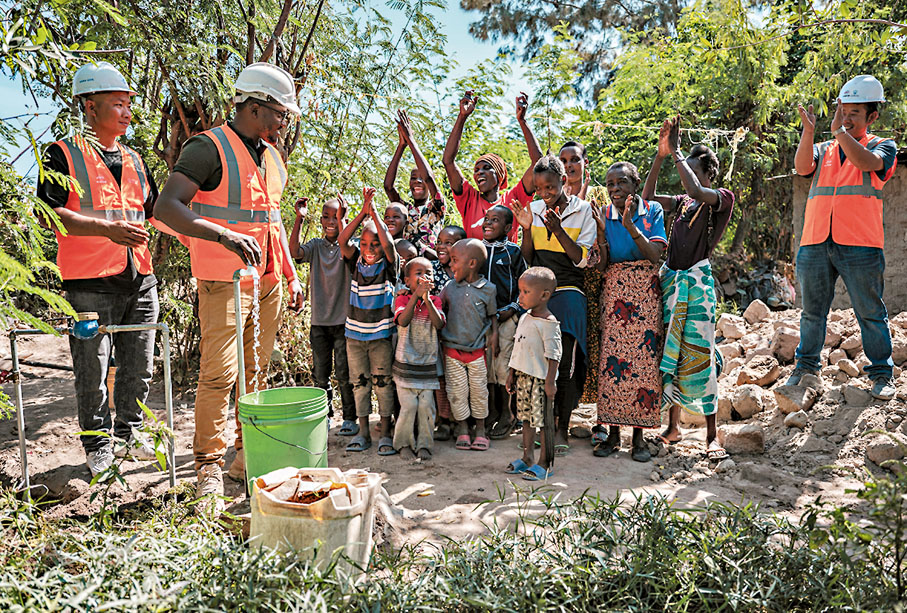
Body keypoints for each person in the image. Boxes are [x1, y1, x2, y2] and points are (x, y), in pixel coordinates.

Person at [154, 63, 304, 507]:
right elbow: (167, 207)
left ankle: (246, 455)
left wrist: (291, 275)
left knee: (255, 372)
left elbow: (270, 218)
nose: (283, 123)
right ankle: (208, 469)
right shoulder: (208, 148)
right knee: (219, 376)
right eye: (279, 114)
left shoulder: (272, 155)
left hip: (269, 281)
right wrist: (224, 236)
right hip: (224, 280)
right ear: (255, 108)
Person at [36, 62, 161, 476]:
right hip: (89, 283)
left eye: (128, 104)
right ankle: (98, 443)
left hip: (139, 278)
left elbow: (154, 212)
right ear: (90, 107)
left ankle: (128, 434)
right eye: (117, 104)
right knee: (92, 367)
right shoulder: (61, 153)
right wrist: (108, 230)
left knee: (140, 363)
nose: (127, 112)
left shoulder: (136, 159)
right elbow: (48, 215)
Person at [789, 75, 898, 400]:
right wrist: (809, 132)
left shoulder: (882, 146)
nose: (847, 119)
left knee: (869, 312)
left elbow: (866, 163)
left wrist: (839, 132)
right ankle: (805, 368)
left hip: (861, 244)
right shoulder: (824, 149)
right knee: (812, 312)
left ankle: (881, 374)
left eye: (854, 114)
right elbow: (802, 167)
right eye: (843, 111)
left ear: (872, 117)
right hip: (816, 241)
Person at [642, 115, 736, 460]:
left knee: (700, 353)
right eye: (686, 169)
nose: (688, 178)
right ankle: (673, 426)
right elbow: (648, 197)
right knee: (673, 351)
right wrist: (660, 155)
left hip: (697, 287)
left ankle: (711, 434)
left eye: (695, 170)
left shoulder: (721, 197)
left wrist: (678, 151)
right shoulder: (683, 204)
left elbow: (696, 189)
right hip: (673, 284)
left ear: (709, 172)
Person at [513, 155, 596, 456]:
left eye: (549, 187)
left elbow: (582, 259)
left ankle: (562, 426)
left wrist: (558, 229)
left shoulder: (582, 210)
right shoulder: (534, 209)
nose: (544, 194)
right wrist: (525, 228)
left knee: (564, 363)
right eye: (539, 189)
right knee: (534, 359)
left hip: (569, 288)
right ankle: (540, 423)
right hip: (539, 290)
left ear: (564, 181)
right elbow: (528, 258)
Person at [587, 162, 667, 463]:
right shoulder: (604, 215)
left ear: (635, 184)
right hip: (616, 291)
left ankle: (639, 438)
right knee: (613, 364)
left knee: (643, 364)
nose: (614, 189)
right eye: (609, 184)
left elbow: (655, 254)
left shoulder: (652, 211)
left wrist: (631, 225)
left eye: (621, 183)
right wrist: (601, 232)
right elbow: (604, 263)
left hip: (645, 293)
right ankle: (613, 434)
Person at [337, 187, 401, 454]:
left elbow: (388, 245)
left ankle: (385, 432)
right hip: (354, 336)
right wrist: (362, 212)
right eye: (364, 244)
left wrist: (373, 212)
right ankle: (363, 432)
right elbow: (342, 240)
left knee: (383, 383)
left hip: (380, 336)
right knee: (359, 384)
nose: (369, 249)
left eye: (373, 244)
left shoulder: (389, 264)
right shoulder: (355, 263)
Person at [289, 196, 357, 437]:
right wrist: (299, 218)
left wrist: (345, 221)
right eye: (327, 217)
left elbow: (348, 244)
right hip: (319, 322)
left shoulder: (349, 246)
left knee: (343, 372)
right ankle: (326, 416)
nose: (331, 221)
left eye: (336, 217)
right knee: (321, 374)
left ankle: (350, 417)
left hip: (343, 322)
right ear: (320, 220)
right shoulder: (316, 246)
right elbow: (295, 252)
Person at [442, 91, 540, 241]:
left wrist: (522, 121)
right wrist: (462, 117)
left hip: (504, 264)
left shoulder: (513, 199)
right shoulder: (468, 199)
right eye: (476, 170)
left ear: (499, 175)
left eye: (487, 168)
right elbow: (448, 161)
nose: (479, 173)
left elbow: (538, 162)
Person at [440, 238, 498, 451]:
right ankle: (463, 429)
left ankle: (481, 430)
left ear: (472, 264)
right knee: (457, 391)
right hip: (452, 350)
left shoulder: (488, 289)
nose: (451, 265)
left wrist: (495, 338)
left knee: (479, 392)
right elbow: (438, 306)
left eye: (455, 260)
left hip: (477, 351)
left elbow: (492, 317)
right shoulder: (449, 288)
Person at [505, 267, 562, 481]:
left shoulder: (549, 323)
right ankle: (527, 457)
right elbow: (517, 347)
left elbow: (554, 355)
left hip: (540, 379)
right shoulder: (525, 318)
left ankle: (545, 463)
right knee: (526, 419)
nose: (520, 296)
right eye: (520, 291)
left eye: (526, 292)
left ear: (544, 295)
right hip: (523, 377)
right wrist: (512, 373)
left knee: (545, 422)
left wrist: (550, 382)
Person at [392, 257, 446, 461]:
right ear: (407, 280)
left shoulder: (437, 301)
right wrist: (415, 296)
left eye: (429, 273)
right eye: (418, 273)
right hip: (405, 364)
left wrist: (427, 299)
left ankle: (424, 444)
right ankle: (403, 443)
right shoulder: (402, 300)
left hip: (427, 365)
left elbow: (439, 324)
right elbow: (403, 321)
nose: (424, 277)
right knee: (409, 407)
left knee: (426, 407)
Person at [481, 205, 527, 439]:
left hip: (506, 318)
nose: (488, 223)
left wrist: (512, 310)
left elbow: (524, 284)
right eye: (486, 219)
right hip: (482, 321)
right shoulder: (477, 249)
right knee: (487, 368)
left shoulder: (512, 252)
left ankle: (508, 414)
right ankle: (492, 413)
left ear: (508, 228)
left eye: (495, 220)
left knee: (502, 367)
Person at [384, 109, 445, 259]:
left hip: (430, 266)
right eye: (413, 178)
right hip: (407, 267)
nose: (417, 181)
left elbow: (429, 178)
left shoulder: (436, 207)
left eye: (421, 178)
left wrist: (411, 140)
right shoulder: (403, 209)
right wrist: (401, 146)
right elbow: (388, 187)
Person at [430, 225, 465, 441]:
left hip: (462, 336)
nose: (442, 247)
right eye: (440, 242)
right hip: (437, 335)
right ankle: (443, 421)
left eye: (448, 243)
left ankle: (460, 420)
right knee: (440, 379)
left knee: (459, 380)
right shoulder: (431, 268)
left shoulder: (467, 271)